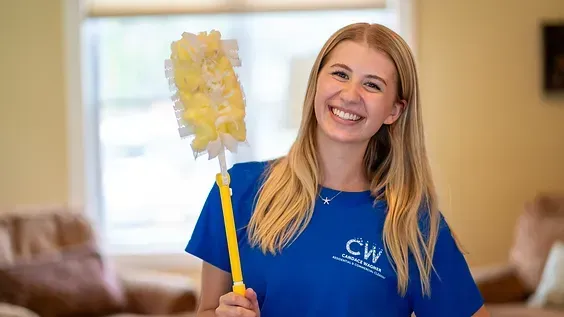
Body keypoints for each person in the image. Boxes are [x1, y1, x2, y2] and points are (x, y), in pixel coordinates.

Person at [186, 22, 489, 317]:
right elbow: (207, 310)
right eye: (340, 74)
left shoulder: (414, 222)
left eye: (372, 84)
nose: (350, 94)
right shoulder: (237, 189)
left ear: (394, 111)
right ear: (317, 82)